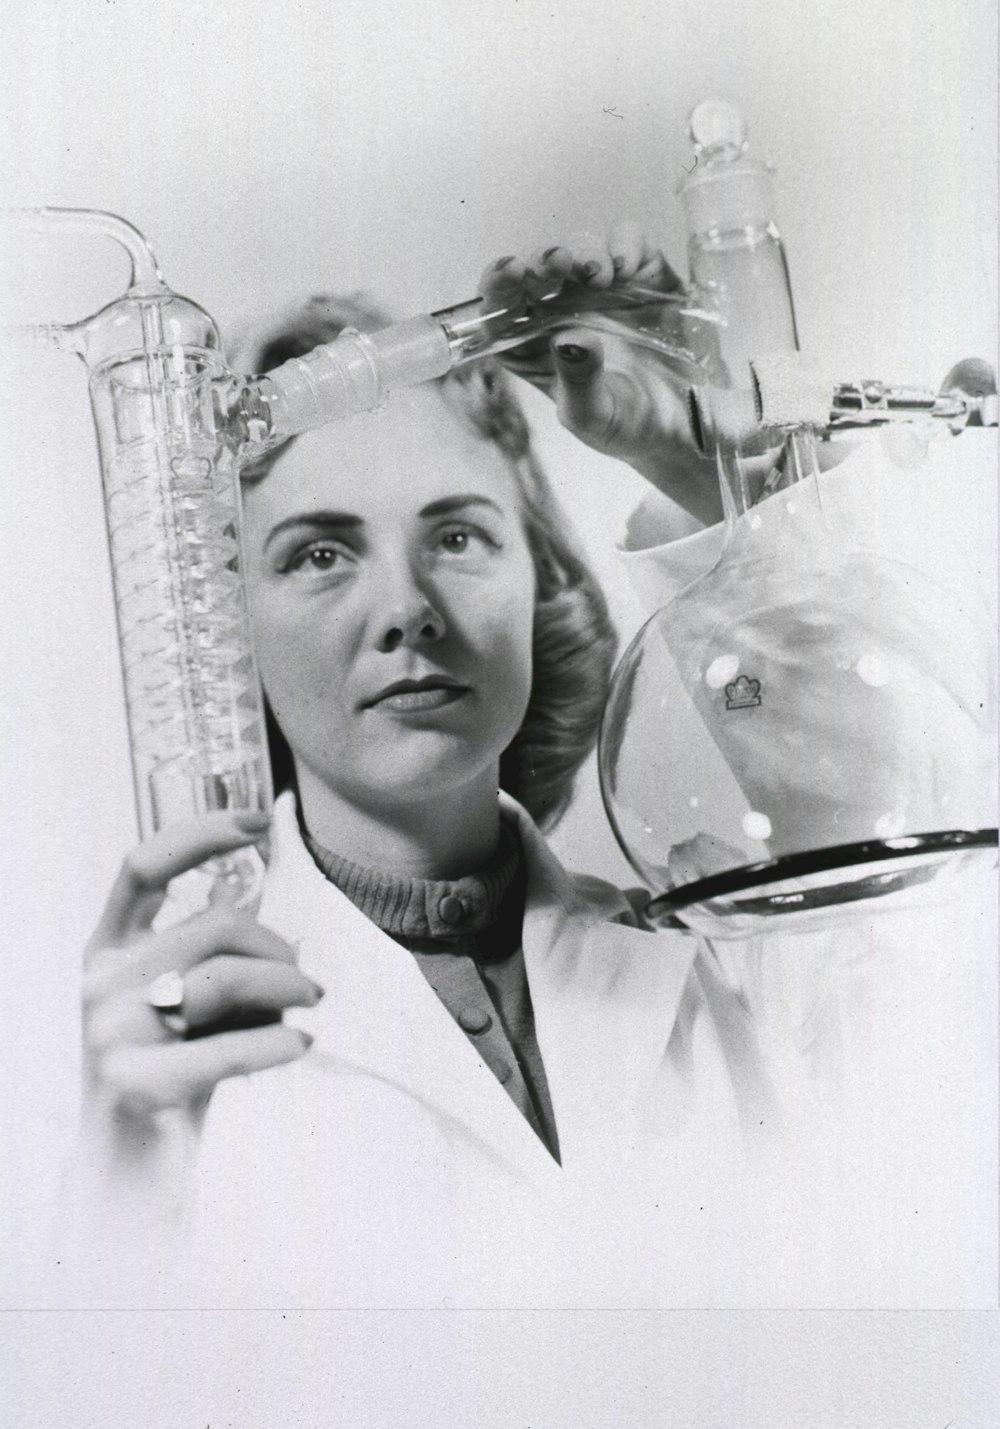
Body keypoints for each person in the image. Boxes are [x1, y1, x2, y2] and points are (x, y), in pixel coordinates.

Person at [70, 233, 996, 1308]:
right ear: (227, 632)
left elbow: (903, 842)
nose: (407, 608)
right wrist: (119, 1183)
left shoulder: (723, 952)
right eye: (320, 553)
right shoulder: (154, 1051)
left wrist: (709, 471)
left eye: (456, 537)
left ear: (537, 575)